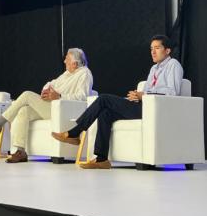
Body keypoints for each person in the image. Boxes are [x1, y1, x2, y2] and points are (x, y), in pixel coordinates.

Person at [52, 35, 183, 169]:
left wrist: (144, 94)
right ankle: (101, 159)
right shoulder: (154, 69)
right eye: (151, 49)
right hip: (144, 104)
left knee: (103, 99)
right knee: (105, 113)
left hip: (155, 109)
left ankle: (75, 132)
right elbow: (149, 91)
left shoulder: (173, 65)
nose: (153, 52)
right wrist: (137, 96)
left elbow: (172, 92)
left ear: (167, 51)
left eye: (157, 48)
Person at [0, 48, 93, 163]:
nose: (64, 61)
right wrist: (46, 90)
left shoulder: (85, 73)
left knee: (26, 95)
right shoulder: (67, 74)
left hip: (63, 110)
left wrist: (59, 96)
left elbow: (83, 97)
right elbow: (50, 83)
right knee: (23, 111)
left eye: (67, 59)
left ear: (75, 63)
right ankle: (20, 151)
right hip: (51, 106)